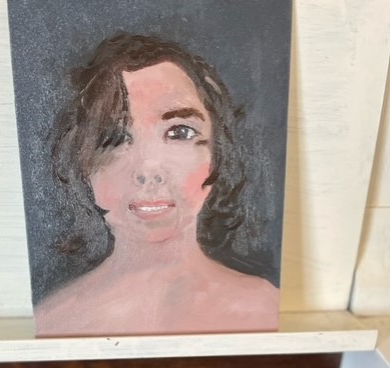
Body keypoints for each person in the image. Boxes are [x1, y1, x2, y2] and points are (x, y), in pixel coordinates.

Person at [35, 33, 279, 336]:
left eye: (179, 132)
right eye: (114, 139)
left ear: (216, 152)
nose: (148, 169)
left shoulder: (266, 308)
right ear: (83, 165)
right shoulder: (51, 324)